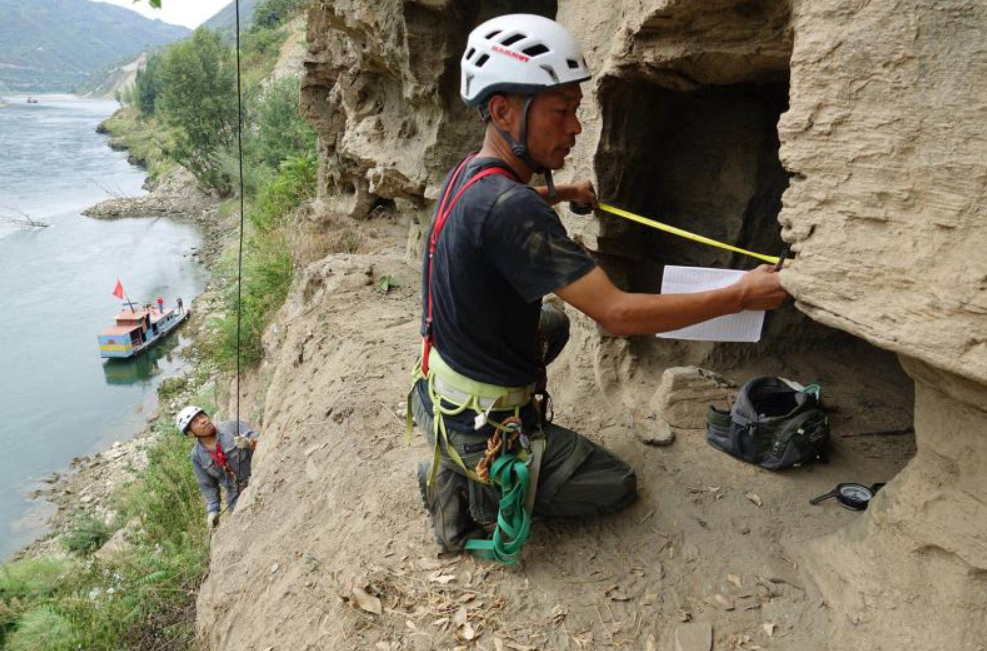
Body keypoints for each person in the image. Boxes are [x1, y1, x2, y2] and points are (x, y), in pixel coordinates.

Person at [410, 13, 789, 554]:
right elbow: (617, 314)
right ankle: (474, 490)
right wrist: (742, 294)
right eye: (562, 112)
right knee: (615, 485)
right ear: (503, 110)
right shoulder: (511, 211)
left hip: (437, 389)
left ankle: (457, 455)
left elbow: (499, 216)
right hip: (477, 421)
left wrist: (562, 192)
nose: (575, 128)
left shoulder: (472, 177)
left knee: (551, 323)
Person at [175, 405, 259, 529]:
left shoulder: (231, 427)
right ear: (191, 433)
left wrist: (250, 443)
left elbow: (262, 439)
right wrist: (213, 511)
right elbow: (208, 486)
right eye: (196, 422)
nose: (203, 421)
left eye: (202, 416)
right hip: (236, 495)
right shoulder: (197, 456)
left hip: (257, 476)